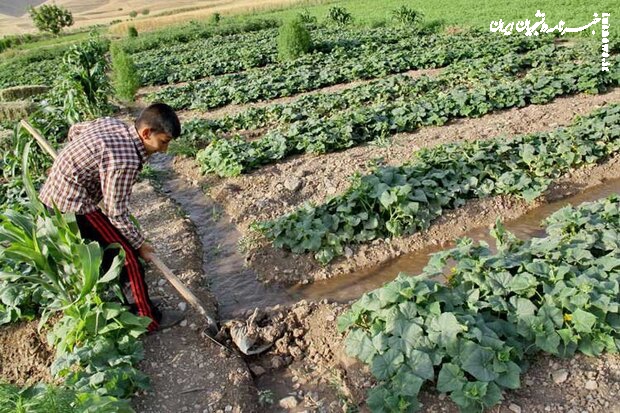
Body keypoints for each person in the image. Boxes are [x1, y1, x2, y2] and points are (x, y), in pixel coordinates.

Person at [39, 103, 185, 331]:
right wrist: (140, 245)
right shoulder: (125, 160)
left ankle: (125, 302)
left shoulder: (114, 124)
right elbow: (116, 213)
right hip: (71, 205)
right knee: (125, 256)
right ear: (146, 133)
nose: (164, 150)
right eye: (163, 142)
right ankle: (147, 320)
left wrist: (71, 163)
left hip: (55, 195)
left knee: (110, 251)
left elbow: (75, 130)